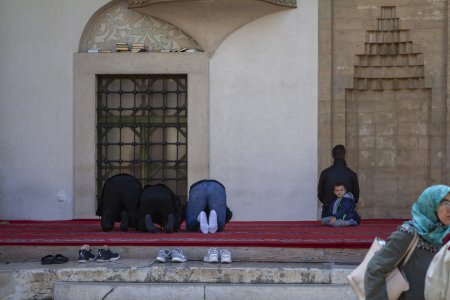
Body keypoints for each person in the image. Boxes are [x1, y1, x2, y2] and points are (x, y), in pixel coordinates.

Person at [365, 184, 450, 299]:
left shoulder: (443, 237)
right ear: (430, 203)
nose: (449, 208)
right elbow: (375, 270)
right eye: (445, 203)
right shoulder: (408, 234)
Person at [317, 144, 359, 218]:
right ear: (345, 155)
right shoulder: (352, 174)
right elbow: (355, 197)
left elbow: (320, 194)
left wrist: (330, 205)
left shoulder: (325, 173)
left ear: (332, 156)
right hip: (346, 216)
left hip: (327, 214)